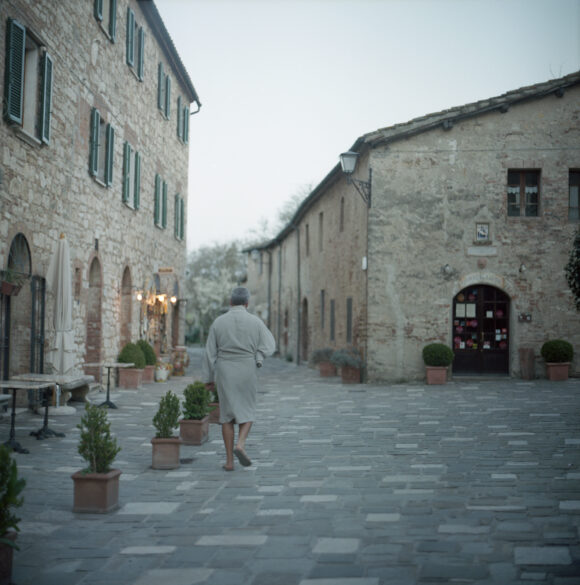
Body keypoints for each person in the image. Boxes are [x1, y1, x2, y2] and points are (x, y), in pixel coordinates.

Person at [201, 287, 276, 471]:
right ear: (247, 303)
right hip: (247, 369)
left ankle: (229, 462)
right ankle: (240, 444)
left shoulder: (218, 322)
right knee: (247, 410)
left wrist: (208, 378)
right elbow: (270, 345)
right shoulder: (255, 322)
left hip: (225, 370)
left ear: (230, 302)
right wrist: (258, 357)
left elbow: (209, 353)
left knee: (226, 416)